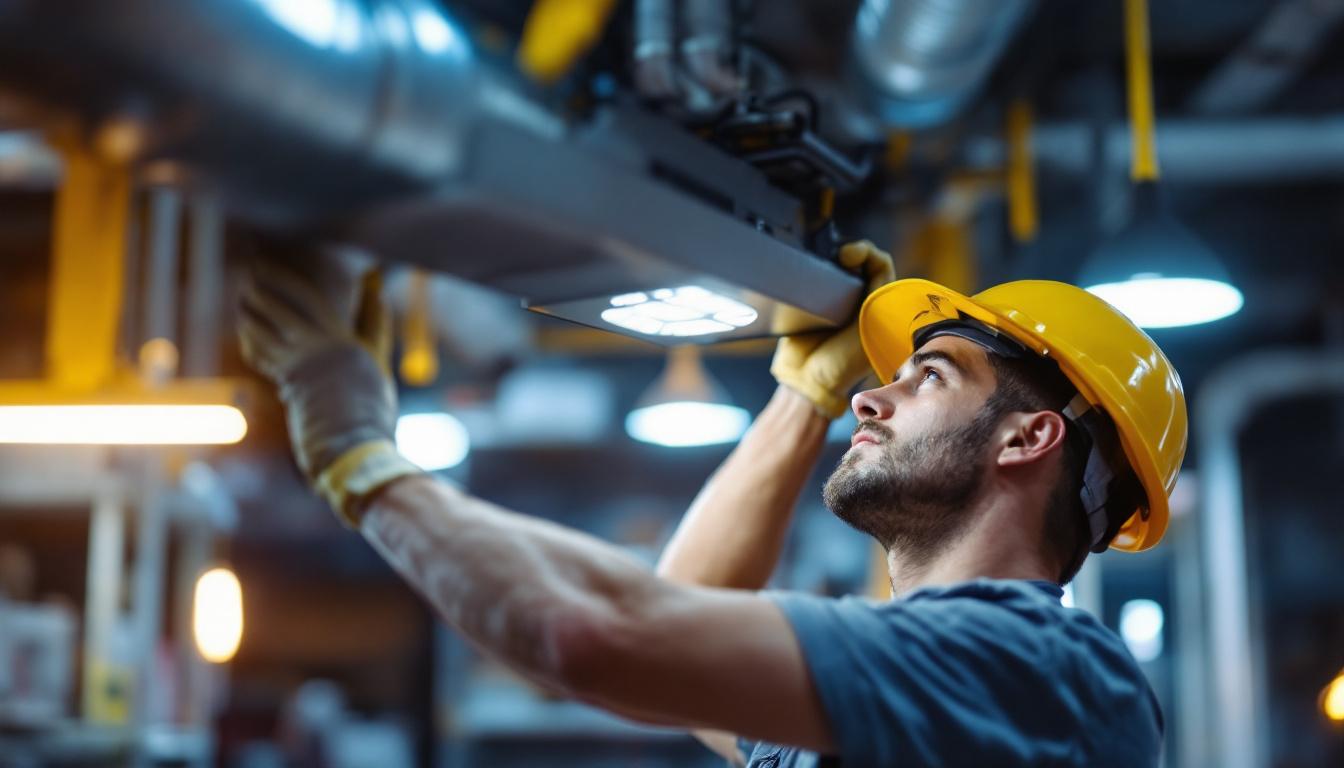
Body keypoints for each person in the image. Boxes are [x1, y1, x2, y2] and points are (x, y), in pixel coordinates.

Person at [238, 240, 1185, 767]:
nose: (870, 395)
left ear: (1030, 437)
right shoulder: (924, 693)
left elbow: (597, 634)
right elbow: (686, 601)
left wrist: (354, 451)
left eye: (928, 376)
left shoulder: (1036, 671)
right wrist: (798, 398)